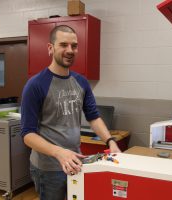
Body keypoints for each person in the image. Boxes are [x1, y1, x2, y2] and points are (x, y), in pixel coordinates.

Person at [20, 25, 121, 200]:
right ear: (50, 48)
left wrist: (110, 141)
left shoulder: (81, 81)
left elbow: (93, 117)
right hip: (48, 169)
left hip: (75, 162)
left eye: (74, 46)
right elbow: (27, 134)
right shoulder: (35, 85)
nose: (70, 50)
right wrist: (59, 152)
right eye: (63, 45)